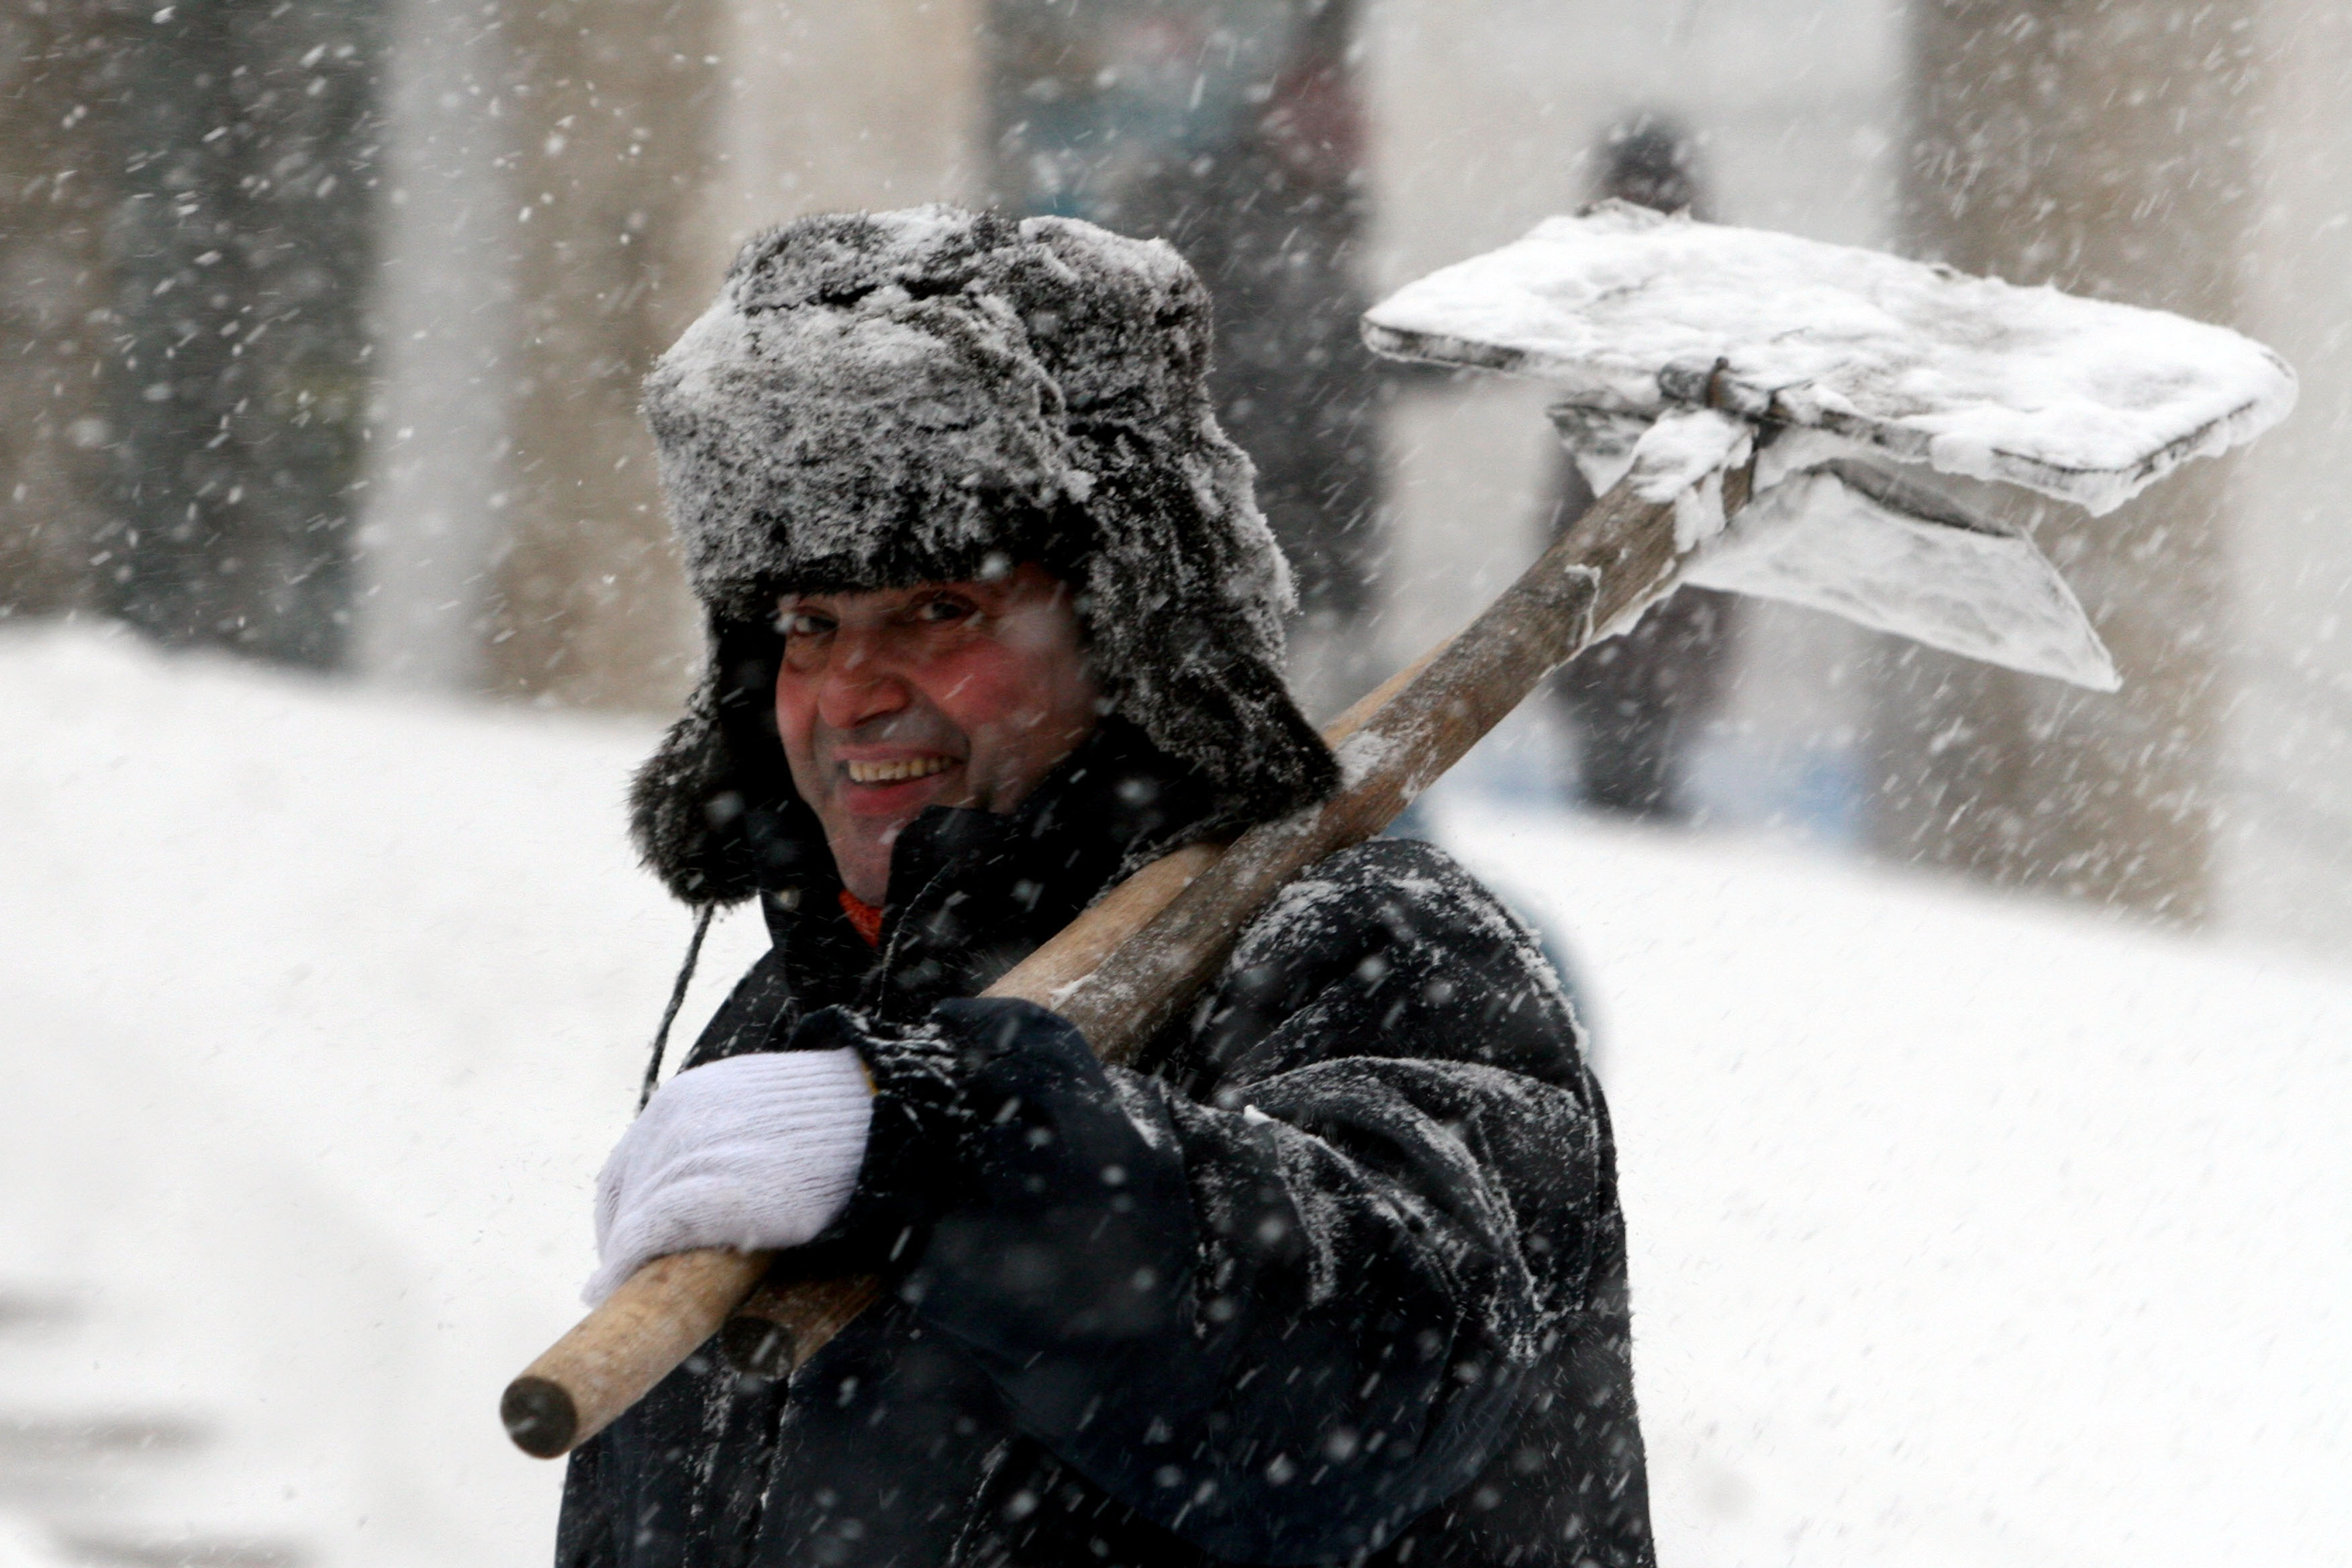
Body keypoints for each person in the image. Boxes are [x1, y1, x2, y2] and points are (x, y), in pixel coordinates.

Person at [557, 207, 1653, 1568]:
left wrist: (947, 1142)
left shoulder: (1376, 947)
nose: (846, 691)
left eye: (939, 610)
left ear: (1130, 629)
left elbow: (1370, 1380)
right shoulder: (792, 1023)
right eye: (807, 625)